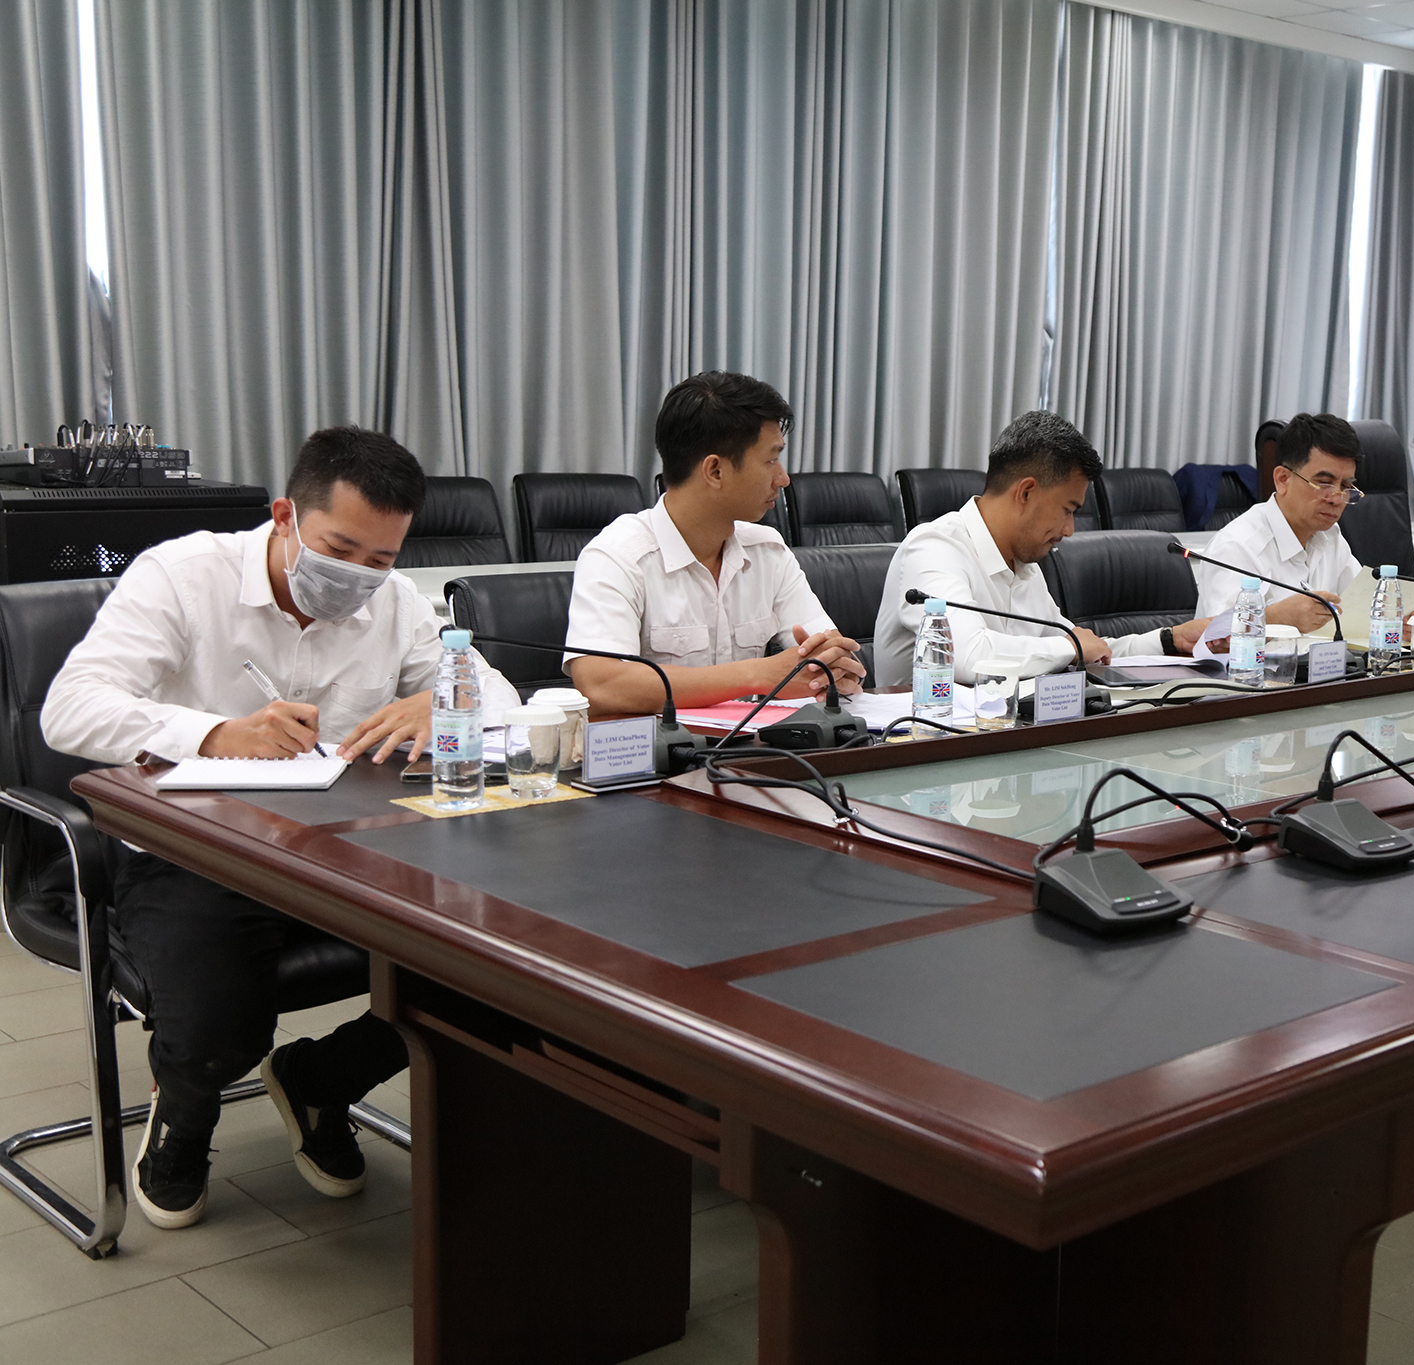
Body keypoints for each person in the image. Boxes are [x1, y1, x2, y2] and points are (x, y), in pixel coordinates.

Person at [42, 426, 521, 1230]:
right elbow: (69, 708)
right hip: (197, 848)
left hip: (351, 847)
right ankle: (183, 1116)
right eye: (340, 550)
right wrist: (215, 732)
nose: (359, 575)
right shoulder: (183, 576)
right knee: (220, 1031)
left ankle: (319, 1080)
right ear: (284, 516)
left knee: (497, 972)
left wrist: (446, 702)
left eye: (381, 558)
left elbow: (498, 694)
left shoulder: (395, 603)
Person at [565, 372, 866, 711]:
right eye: (770, 460)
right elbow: (601, 684)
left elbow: (832, 655)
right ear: (715, 471)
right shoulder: (618, 556)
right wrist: (759, 675)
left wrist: (834, 669)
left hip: (756, 741)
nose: (783, 478)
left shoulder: (768, 550)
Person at [876, 411, 1209, 686]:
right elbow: (969, 657)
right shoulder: (934, 548)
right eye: (1067, 510)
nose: (1070, 530)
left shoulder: (1026, 566)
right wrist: (1070, 646)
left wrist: (1169, 640)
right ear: (1026, 493)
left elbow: (1084, 649)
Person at [1192, 412, 1363, 630]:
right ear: (1283, 479)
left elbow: (1362, 607)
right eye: (1324, 483)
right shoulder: (1236, 547)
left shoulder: (1330, 535)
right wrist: (1278, 617)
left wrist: (1396, 617)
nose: (1336, 499)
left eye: (1345, 486)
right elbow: (1218, 636)